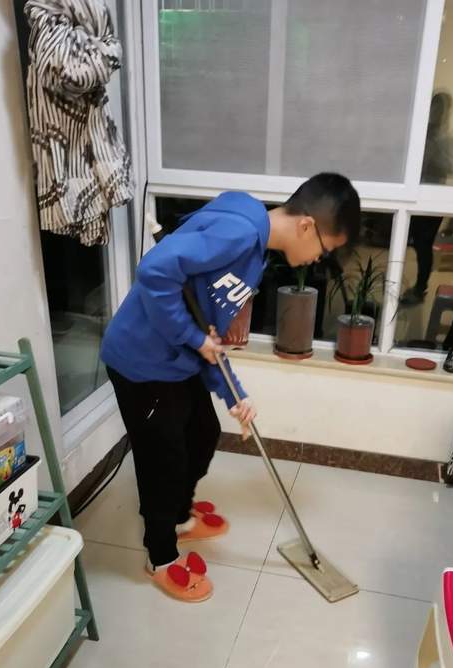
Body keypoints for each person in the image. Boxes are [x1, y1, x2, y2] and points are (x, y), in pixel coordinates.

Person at [101, 173, 360, 601]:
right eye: (324, 249)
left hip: (177, 360)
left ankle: (180, 518)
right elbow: (154, 271)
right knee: (163, 460)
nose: (318, 258)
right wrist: (194, 338)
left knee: (202, 433)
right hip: (142, 361)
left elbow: (207, 327)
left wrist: (234, 393)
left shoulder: (254, 248)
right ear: (306, 226)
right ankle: (160, 556)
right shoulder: (239, 231)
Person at [401, 91, 453, 306]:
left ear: (445, 112)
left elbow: (452, 167)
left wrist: (435, 151)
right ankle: (410, 284)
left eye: (439, 108)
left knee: (425, 243)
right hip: (415, 195)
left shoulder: (447, 138)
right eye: (433, 107)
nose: (435, 112)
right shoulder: (420, 133)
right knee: (414, 242)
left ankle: (420, 288)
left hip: (435, 197)